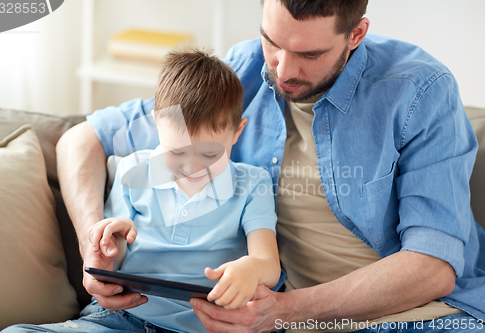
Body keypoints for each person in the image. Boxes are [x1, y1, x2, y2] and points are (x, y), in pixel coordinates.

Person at [52, 0, 485, 332]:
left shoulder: (420, 91)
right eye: (273, 42)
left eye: (309, 54)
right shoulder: (244, 70)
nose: (283, 70)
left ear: (356, 34)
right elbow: (82, 140)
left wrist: (282, 313)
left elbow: (432, 265)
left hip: (409, 316)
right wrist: (94, 242)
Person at [3, 51, 281, 333]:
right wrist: (108, 247)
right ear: (156, 124)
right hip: (122, 319)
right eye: (177, 153)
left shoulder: (253, 184)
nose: (193, 168)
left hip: (208, 326)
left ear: (237, 132)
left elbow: (269, 264)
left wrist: (252, 269)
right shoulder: (134, 169)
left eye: (210, 154)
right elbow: (114, 259)